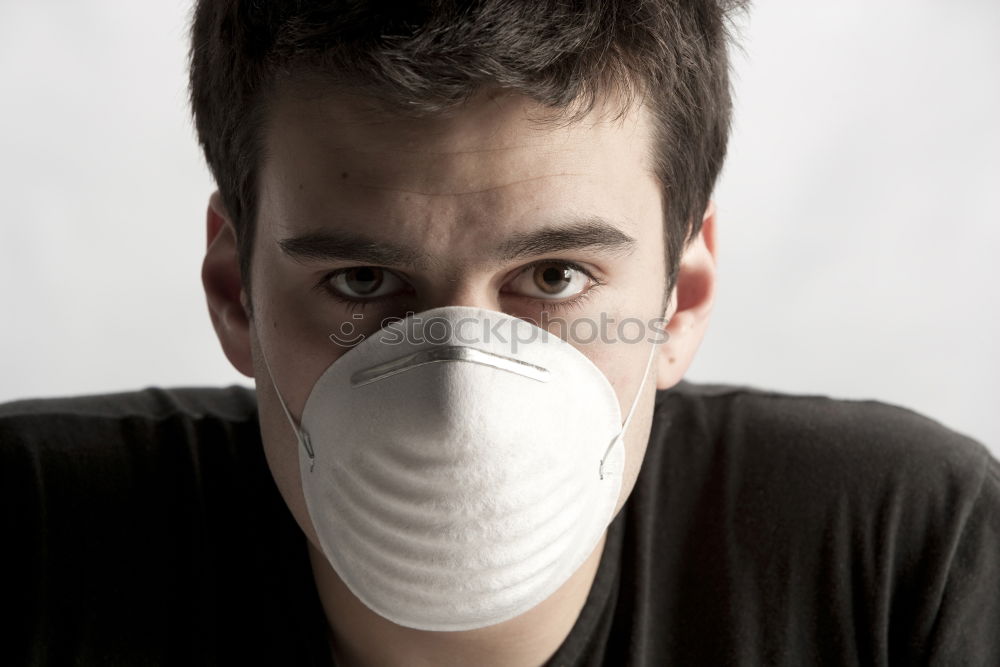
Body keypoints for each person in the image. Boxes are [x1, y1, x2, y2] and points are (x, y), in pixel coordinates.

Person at [2, 1, 997, 665]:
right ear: (235, 291)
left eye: (554, 278)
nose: (458, 396)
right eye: (361, 279)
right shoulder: (34, 541)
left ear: (679, 299)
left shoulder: (894, 562)